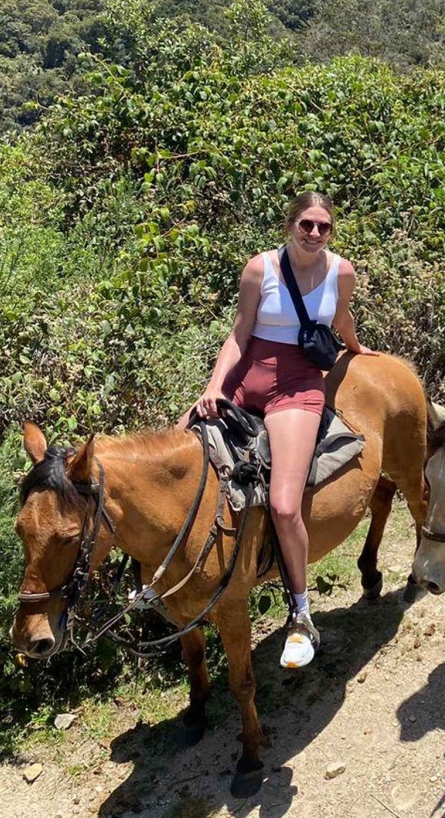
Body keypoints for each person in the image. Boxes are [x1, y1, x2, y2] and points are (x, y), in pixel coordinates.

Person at [191, 191, 377, 668]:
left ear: (331, 231)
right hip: (246, 376)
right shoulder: (261, 268)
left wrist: (357, 349)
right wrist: (214, 387)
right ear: (289, 225)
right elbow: (239, 333)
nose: (314, 233)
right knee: (179, 449)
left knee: (283, 505)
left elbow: (342, 318)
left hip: (297, 385)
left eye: (323, 226)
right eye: (306, 224)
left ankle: (301, 613)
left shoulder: (342, 271)